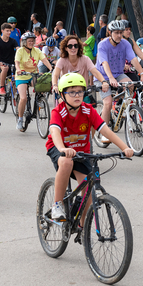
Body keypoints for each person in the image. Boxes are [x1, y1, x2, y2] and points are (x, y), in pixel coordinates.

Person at [46, 73, 134, 221]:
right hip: (59, 147)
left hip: (81, 152)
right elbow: (55, 131)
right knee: (67, 162)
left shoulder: (88, 110)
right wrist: (62, 149)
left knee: (89, 190)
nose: (77, 95)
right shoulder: (58, 111)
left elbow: (106, 131)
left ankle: (82, 226)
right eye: (72, 92)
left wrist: (125, 148)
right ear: (62, 94)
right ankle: (57, 204)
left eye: (80, 91)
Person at [95, 20, 143, 142]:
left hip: (118, 73)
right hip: (103, 76)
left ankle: (122, 107)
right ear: (110, 32)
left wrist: (142, 75)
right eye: (117, 33)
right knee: (108, 102)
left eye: (121, 32)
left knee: (131, 85)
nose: (120, 35)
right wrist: (110, 78)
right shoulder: (102, 45)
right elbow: (104, 63)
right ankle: (104, 131)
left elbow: (134, 59)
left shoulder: (125, 43)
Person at [14, 32, 52, 131]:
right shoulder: (20, 51)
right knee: (23, 98)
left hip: (33, 74)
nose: (31, 42)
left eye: (33, 40)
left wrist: (51, 69)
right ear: (24, 42)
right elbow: (17, 62)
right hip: (21, 76)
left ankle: (40, 101)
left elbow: (45, 60)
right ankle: (20, 118)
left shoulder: (37, 51)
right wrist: (18, 69)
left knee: (41, 87)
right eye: (29, 41)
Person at [52, 35, 108, 101]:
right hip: (67, 92)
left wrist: (103, 82)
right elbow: (56, 75)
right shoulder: (62, 60)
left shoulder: (85, 59)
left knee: (89, 108)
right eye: (70, 46)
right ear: (66, 48)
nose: (73, 48)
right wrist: (55, 85)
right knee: (62, 104)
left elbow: (95, 72)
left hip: (82, 92)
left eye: (76, 46)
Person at [0, 23, 19, 95]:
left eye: (10, 31)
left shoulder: (13, 41)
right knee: (5, 68)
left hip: (11, 61)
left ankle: (14, 96)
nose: (9, 32)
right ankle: (2, 87)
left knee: (16, 74)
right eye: (7, 31)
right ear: (2, 31)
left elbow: (18, 49)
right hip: (1, 61)